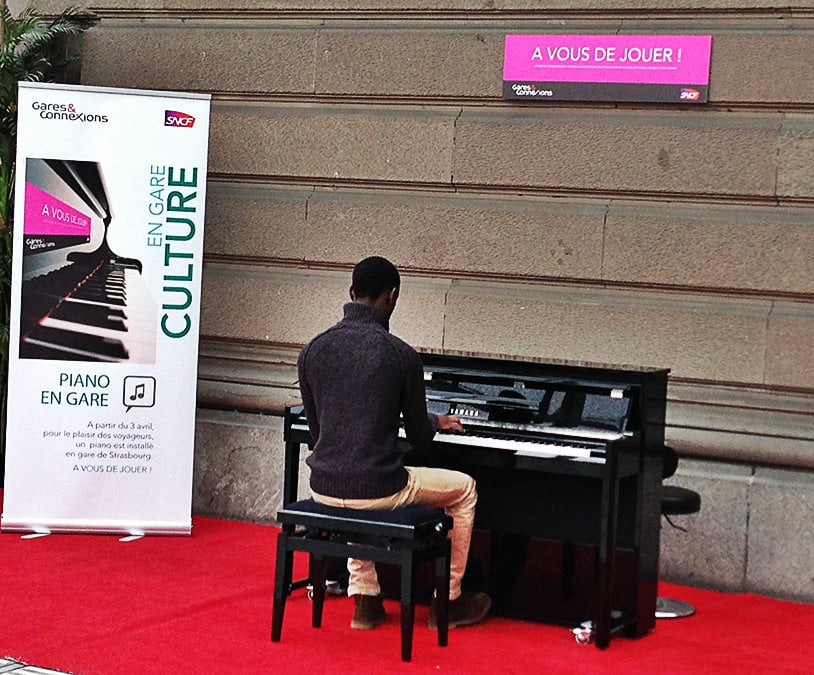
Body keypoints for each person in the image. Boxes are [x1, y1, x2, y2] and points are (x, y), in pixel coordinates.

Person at [297, 255, 491, 631]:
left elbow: (318, 435)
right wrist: (428, 423)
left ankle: (365, 599)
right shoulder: (401, 355)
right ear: (393, 296)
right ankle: (447, 601)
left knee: (352, 481)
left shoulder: (313, 350)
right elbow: (419, 438)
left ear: (351, 293)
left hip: (322, 486)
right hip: (379, 488)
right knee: (464, 490)